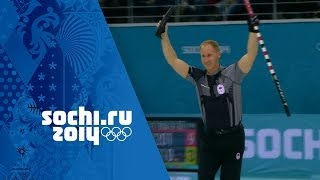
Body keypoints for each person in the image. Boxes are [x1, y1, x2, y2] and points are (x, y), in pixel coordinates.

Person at [157, 14, 259, 179]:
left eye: (209, 55)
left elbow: (250, 55)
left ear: (218, 54)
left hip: (233, 139)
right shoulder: (198, 77)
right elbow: (173, 61)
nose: (206, 59)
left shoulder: (232, 74)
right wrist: (164, 36)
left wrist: (253, 31)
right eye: (203, 56)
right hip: (209, 140)